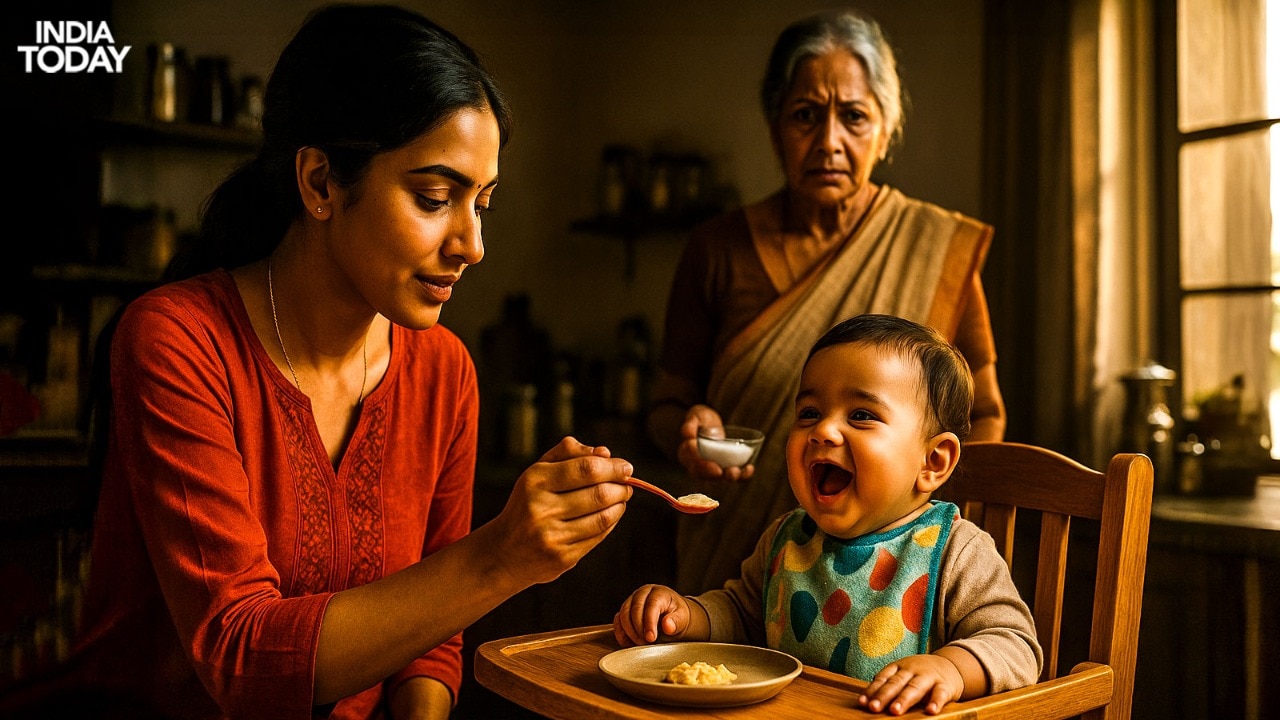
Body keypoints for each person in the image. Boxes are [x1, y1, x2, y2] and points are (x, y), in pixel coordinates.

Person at [0, 6, 635, 720]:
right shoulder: (176, 341)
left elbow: (428, 642)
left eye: (482, 203)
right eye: (436, 198)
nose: (472, 244)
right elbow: (239, 655)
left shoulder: (444, 370)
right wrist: (501, 557)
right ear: (321, 184)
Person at [647, 8, 1007, 594]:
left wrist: (919, 528)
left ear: (887, 131)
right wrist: (690, 432)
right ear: (774, 127)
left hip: (889, 585)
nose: (829, 142)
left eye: (855, 117)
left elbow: (984, 418)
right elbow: (667, 404)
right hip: (731, 571)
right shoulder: (717, 250)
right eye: (805, 116)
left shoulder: (932, 250)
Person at [617, 314, 1040, 716]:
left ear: (932, 460)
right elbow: (745, 613)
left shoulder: (955, 552)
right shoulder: (787, 537)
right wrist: (686, 614)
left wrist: (950, 669)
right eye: (809, 413)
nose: (822, 430)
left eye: (861, 415)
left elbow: (1015, 645)